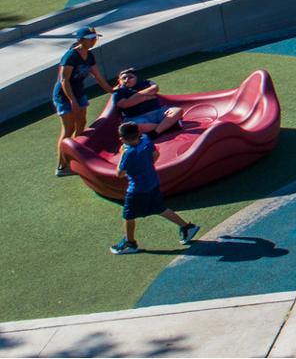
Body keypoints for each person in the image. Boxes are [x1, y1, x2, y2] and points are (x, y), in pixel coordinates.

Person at [111, 122, 199, 254]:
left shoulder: (128, 154)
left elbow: (119, 174)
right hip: (153, 182)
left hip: (137, 189)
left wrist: (122, 155)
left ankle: (130, 244)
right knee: (160, 208)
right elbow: (155, 155)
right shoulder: (146, 139)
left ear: (122, 139)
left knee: (128, 215)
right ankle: (187, 227)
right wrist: (145, 166)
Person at [53, 26, 111, 177]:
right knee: (68, 129)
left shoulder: (90, 55)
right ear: (80, 40)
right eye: (90, 38)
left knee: (81, 124)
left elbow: (97, 76)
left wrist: (111, 90)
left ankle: (75, 156)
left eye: (94, 38)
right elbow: (64, 80)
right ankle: (62, 166)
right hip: (64, 96)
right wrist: (72, 101)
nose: (93, 41)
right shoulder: (70, 56)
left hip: (79, 93)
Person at [109, 68, 183, 135]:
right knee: (133, 127)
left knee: (178, 111)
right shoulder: (118, 91)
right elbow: (124, 104)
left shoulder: (145, 83)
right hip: (137, 118)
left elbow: (155, 89)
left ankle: (155, 132)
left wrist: (135, 96)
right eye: (124, 78)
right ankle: (169, 126)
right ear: (119, 81)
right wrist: (145, 98)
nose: (127, 79)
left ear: (136, 78)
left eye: (130, 77)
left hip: (158, 113)